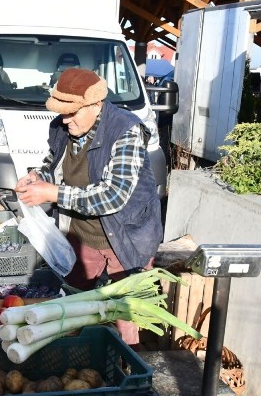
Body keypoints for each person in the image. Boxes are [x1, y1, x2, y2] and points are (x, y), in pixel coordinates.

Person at [14, 68, 162, 346]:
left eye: (72, 112)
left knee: (124, 314)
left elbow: (114, 195)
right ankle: (78, 360)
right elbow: (53, 163)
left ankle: (128, 367)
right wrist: (38, 177)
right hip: (83, 238)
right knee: (73, 309)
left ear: (96, 105)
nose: (66, 119)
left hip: (127, 237)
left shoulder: (125, 129)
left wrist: (52, 193)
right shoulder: (60, 127)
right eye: (62, 112)